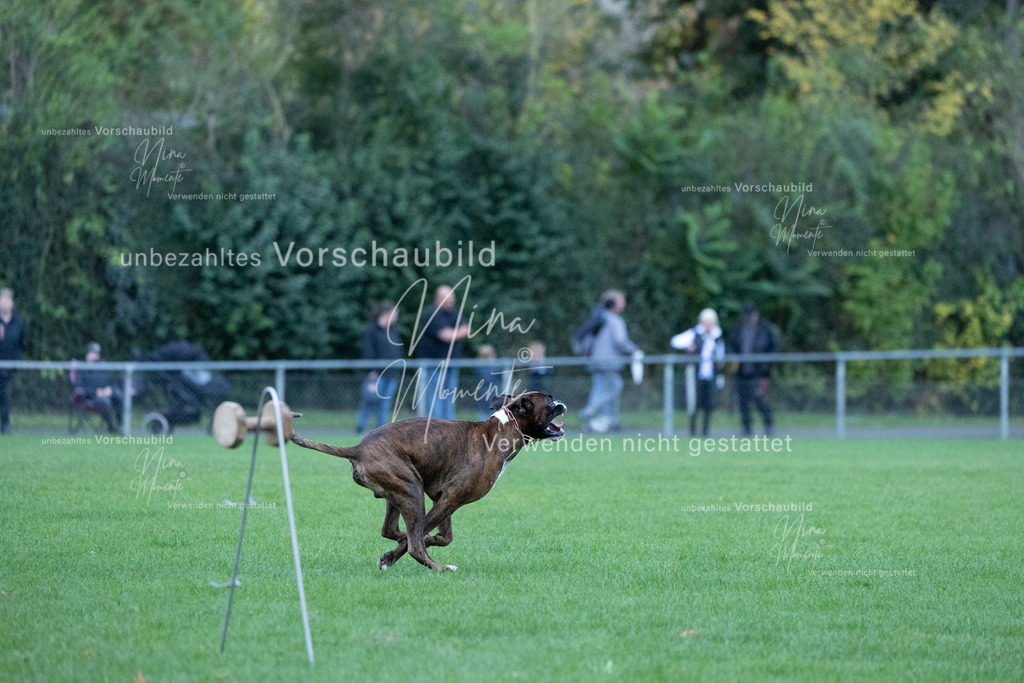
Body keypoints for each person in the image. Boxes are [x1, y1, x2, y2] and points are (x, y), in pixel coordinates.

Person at [580, 290, 640, 433]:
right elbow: (620, 341)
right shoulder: (615, 320)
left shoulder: (599, 318)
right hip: (609, 362)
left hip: (596, 361)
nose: (623, 304)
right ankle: (590, 412)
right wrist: (635, 350)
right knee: (614, 387)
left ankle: (605, 420)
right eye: (620, 301)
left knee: (600, 388)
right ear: (612, 303)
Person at [416, 285, 469, 421]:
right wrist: (456, 333)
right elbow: (445, 336)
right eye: (448, 299)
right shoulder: (431, 313)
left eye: (452, 299)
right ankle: (436, 427)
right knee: (435, 398)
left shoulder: (454, 312)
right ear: (438, 299)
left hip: (452, 363)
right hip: (435, 365)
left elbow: (465, 329)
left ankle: (449, 427)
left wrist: (453, 333)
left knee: (449, 397)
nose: (451, 302)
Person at [726, 302, 778, 436]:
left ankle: (769, 424)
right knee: (743, 401)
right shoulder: (738, 328)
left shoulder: (764, 329)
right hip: (742, 371)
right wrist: (733, 357)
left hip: (758, 372)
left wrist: (766, 368)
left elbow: (773, 349)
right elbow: (731, 345)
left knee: (759, 399)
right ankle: (746, 427)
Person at [671, 308, 725, 436]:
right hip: (696, 374)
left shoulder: (717, 337)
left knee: (709, 403)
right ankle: (693, 430)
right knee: (694, 401)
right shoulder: (694, 333)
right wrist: (687, 346)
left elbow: (720, 355)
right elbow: (675, 341)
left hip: (711, 375)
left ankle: (705, 430)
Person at [357, 301, 403, 433]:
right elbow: (368, 351)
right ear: (386, 314)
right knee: (370, 401)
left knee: (385, 404)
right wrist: (371, 370)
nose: (396, 317)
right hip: (377, 374)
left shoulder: (393, 331)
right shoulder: (372, 330)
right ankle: (361, 426)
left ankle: (381, 430)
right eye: (395, 314)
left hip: (392, 374)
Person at [76, 342, 123, 433]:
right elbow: (81, 388)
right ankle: (111, 428)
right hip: (92, 397)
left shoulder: (104, 367)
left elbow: (114, 382)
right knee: (104, 401)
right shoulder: (83, 370)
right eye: (93, 353)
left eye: (97, 353)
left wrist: (110, 389)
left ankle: (121, 425)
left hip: (107, 393)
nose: (95, 355)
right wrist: (96, 392)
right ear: (87, 355)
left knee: (118, 394)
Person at [0, 288, 24, 434]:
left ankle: (5, 425)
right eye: (2, 300)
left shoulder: (17, 322)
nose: (4, 303)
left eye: (7, 300)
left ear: (12, 303)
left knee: (5, 397)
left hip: (9, 369)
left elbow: (22, 343)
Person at [474, 344, 502, 420]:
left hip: (492, 392)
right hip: (487, 392)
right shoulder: (486, 366)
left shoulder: (494, 365)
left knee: (489, 413)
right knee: (485, 414)